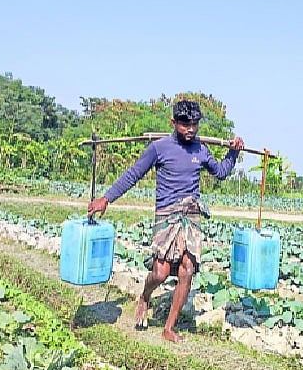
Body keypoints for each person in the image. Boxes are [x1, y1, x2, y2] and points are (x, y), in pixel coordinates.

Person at [88, 99, 244, 342]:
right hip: (166, 214)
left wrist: (233, 152)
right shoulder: (159, 148)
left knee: (187, 269)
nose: (190, 129)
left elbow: (221, 172)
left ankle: (169, 327)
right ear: (174, 122)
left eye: (194, 124)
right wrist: (106, 199)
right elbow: (132, 175)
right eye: (184, 124)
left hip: (191, 215)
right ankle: (145, 296)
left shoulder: (201, 150)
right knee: (160, 272)